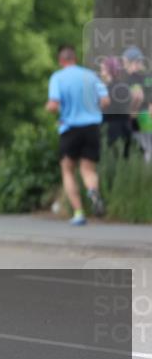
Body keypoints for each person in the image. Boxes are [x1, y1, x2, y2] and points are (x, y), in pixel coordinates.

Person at [45, 44, 110, 226]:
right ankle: (93, 191)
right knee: (88, 169)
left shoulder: (57, 77)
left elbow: (53, 105)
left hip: (70, 128)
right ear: (75, 58)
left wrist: (50, 108)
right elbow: (105, 101)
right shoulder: (91, 76)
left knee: (67, 169)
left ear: (61, 61)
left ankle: (79, 213)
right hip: (92, 126)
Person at [99, 56, 134, 158]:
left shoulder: (106, 89)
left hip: (111, 131)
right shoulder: (125, 87)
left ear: (109, 71)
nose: (101, 72)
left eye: (103, 69)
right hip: (126, 129)